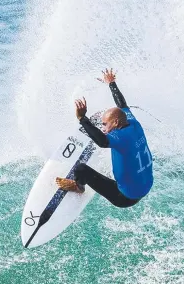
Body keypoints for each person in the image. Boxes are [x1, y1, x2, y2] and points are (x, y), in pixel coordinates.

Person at [56, 68, 153, 207]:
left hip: (125, 197)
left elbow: (101, 141)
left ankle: (78, 187)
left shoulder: (120, 138)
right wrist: (111, 83)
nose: (103, 128)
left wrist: (82, 118)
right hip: (145, 186)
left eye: (105, 124)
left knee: (80, 169)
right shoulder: (134, 123)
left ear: (116, 123)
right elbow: (122, 104)